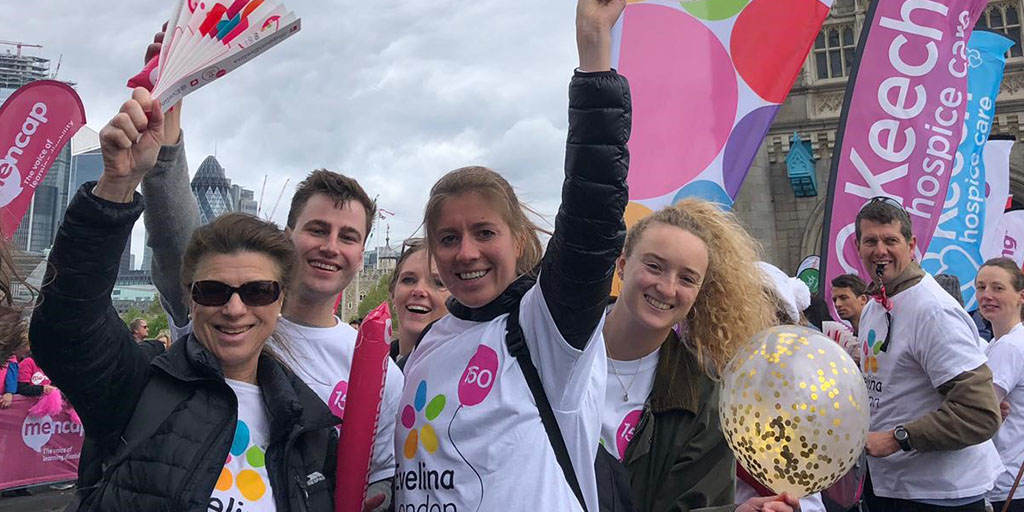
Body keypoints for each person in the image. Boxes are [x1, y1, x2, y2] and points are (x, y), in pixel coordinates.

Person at [29, 91, 339, 510]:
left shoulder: (311, 426)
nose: (234, 309)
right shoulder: (137, 385)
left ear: (280, 299)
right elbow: (66, 327)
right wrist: (116, 186)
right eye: (213, 291)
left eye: (257, 292)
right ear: (190, 298)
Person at [138, 32, 404, 510]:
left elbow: (381, 477)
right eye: (317, 229)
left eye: (348, 237)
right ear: (287, 233)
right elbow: (177, 243)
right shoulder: (229, 314)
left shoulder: (378, 369)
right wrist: (168, 140)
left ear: (362, 251)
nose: (330, 247)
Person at [393, 2, 628, 510]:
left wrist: (594, 53)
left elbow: (592, 217)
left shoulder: (546, 327)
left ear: (518, 241)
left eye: (484, 232)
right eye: (449, 238)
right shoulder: (430, 343)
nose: (467, 252)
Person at [601, 199, 801, 512]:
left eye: (687, 278)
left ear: (698, 292)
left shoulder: (704, 396)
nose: (667, 288)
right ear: (622, 265)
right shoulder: (555, 344)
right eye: (654, 266)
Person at [856, 197, 1001, 511]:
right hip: (892, 487)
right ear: (858, 248)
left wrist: (898, 438)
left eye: (890, 240)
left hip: (940, 495)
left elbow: (979, 413)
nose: (880, 250)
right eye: (870, 241)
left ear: (911, 246)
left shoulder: (933, 310)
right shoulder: (873, 307)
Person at [975, 258, 1024, 512]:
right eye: (981, 287)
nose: (987, 295)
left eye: (998, 288)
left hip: (1006, 484)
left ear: (1020, 296)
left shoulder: (1010, 346)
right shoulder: (999, 343)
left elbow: (974, 413)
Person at [387, 238, 450, 369]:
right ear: (393, 292)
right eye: (409, 280)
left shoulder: (463, 376)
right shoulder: (362, 366)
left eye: (437, 283)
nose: (419, 290)